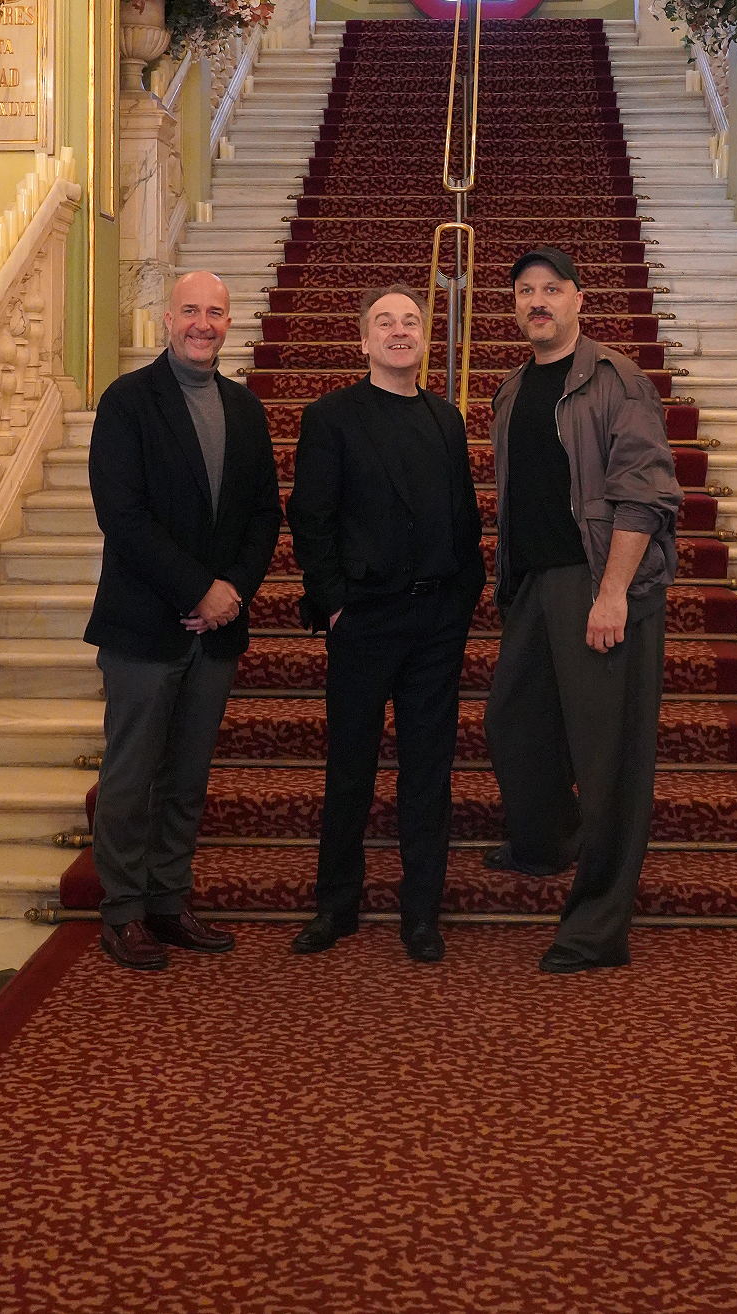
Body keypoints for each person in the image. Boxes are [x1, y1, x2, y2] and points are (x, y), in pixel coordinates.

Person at [483, 247, 683, 974]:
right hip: (536, 584)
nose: (537, 301)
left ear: (578, 300)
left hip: (601, 581)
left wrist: (613, 592)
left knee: (609, 761)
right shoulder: (512, 389)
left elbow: (645, 494)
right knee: (512, 722)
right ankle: (547, 841)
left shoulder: (616, 379)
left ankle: (598, 927)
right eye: (524, 291)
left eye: (552, 289)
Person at [85, 271, 282, 971]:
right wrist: (198, 589)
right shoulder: (127, 401)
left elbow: (265, 515)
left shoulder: (245, 408)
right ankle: (123, 911)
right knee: (131, 776)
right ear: (167, 319)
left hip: (216, 631)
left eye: (215, 312)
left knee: (188, 778)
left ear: (229, 323)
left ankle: (169, 901)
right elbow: (122, 515)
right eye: (191, 310)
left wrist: (231, 593)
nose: (203, 323)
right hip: (143, 625)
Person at [286, 284, 486, 964]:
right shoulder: (331, 417)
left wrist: (462, 598)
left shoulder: (445, 419)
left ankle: (421, 914)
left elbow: (463, 515)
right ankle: (335, 907)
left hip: (436, 622)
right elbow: (310, 518)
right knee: (351, 767)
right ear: (364, 340)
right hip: (364, 619)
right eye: (384, 322)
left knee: (428, 772)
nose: (399, 331)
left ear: (423, 339)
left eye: (410, 322)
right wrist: (335, 603)